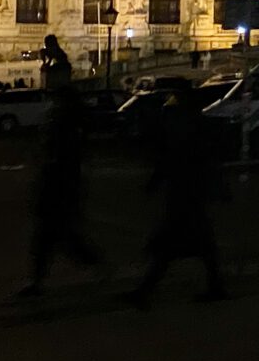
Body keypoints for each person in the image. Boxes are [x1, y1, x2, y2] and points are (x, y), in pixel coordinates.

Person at [121, 96, 228, 307]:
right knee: (199, 246)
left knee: (171, 247)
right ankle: (214, 285)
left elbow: (172, 163)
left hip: (185, 198)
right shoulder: (191, 133)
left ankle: (145, 291)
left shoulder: (183, 136)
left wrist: (154, 183)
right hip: (189, 198)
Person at [17, 87, 102, 297]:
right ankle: (38, 281)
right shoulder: (68, 128)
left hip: (58, 191)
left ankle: (38, 281)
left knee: (54, 238)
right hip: (59, 189)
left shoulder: (64, 130)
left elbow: (60, 162)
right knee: (55, 238)